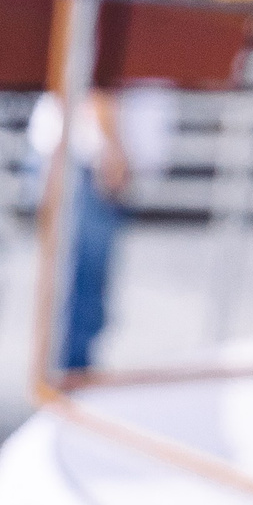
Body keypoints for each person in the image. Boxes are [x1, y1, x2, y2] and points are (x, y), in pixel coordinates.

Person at [30, 87, 154, 373]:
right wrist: (112, 147)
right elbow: (101, 80)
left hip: (87, 161)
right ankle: (68, 385)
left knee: (80, 289)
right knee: (80, 291)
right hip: (87, 164)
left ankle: (68, 380)